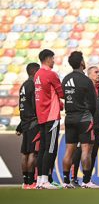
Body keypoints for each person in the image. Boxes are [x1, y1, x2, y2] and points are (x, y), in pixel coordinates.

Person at [61, 51, 99, 189]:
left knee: (69, 151)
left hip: (69, 117)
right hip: (84, 118)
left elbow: (64, 97)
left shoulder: (65, 79)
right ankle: (86, 181)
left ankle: (66, 181)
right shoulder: (85, 80)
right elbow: (93, 103)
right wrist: (90, 115)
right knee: (86, 150)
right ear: (82, 63)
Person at [34, 49, 64, 189]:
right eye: (52, 58)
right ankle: (45, 180)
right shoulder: (51, 74)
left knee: (43, 149)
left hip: (42, 116)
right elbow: (62, 92)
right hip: (52, 116)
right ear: (47, 58)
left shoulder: (37, 75)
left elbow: (47, 95)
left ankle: (40, 180)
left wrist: (59, 102)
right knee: (50, 149)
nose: (53, 60)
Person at [71, 65, 99, 186]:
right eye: (96, 72)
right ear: (89, 75)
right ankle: (73, 178)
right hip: (86, 124)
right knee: (80, 151)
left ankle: (87, 179)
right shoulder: (84, 87)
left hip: (98, 125)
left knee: (93, 152)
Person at [16, 63, 40, 189]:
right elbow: (35, 105)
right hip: (33, 123)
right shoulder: (33, 85)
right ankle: (31, 182)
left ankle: (25, 181)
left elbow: (22, 106)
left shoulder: (23, 85)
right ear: (35, 71)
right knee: (33, 153)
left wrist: (20, 124)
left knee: (25, 153)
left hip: (25, 122)